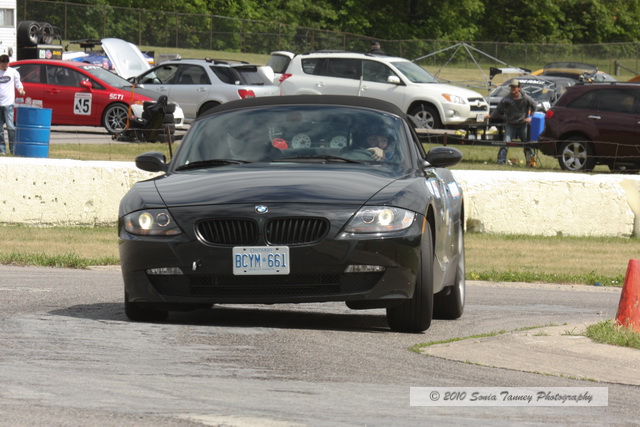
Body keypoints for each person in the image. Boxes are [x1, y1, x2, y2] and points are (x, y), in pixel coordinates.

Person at [486, 79, 536, 165]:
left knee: (527, 144)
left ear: (519, 88)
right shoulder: (507, 99)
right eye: (511, 87)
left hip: (522, 125)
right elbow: (499, 109)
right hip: (511, 125)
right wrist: (491, 115)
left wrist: (531, 117)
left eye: (514, 87)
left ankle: (531, 162)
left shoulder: (526, 98)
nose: (512, 89)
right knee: (505, 142)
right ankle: (501, 161)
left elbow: (534, 105)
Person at [0, 54, 25, 155]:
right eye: (3, 66)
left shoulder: (13, 72)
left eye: (6, 65)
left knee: (10, 127)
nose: (5, 67)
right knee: (0, 128)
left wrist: (21, 90)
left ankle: (13, 149)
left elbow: (18, 83)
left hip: (9, 103)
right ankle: (2, 149)